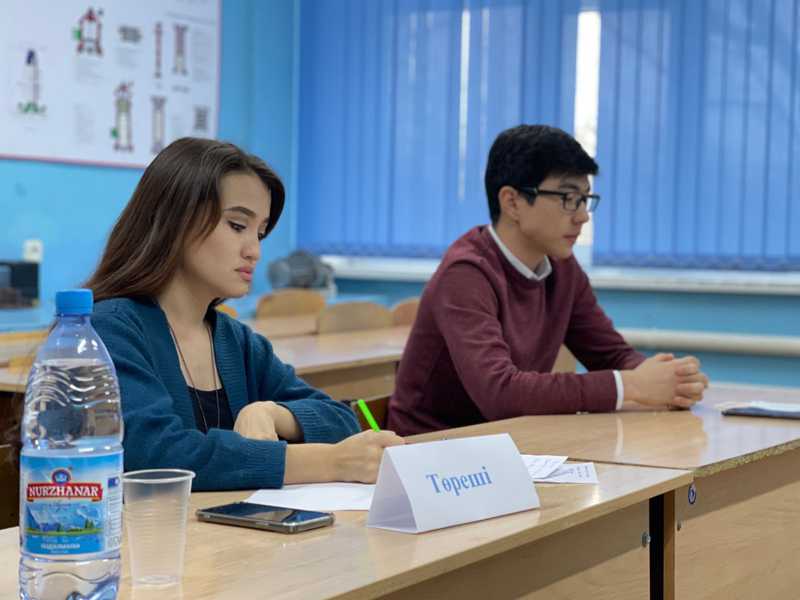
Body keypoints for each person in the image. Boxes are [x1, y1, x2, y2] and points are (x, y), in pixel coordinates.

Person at [84, 137, 403, 490]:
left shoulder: (234, 340)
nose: (254, 251)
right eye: (237, 226)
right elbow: (158, 455)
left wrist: (271, 412)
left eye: (260, 233)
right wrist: (328, 462)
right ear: (175, 220)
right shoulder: (107, 330)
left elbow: (341, 420)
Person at [388, 125, 709, 436]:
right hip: (433, 450)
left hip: (511, 441)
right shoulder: (466, 274)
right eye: (568, 197)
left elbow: (610, 354)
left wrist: (670, 379)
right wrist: (633, 385)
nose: (582, 216)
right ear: (512, 202)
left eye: (585, 199)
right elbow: (500, 393)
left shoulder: (562, 267)